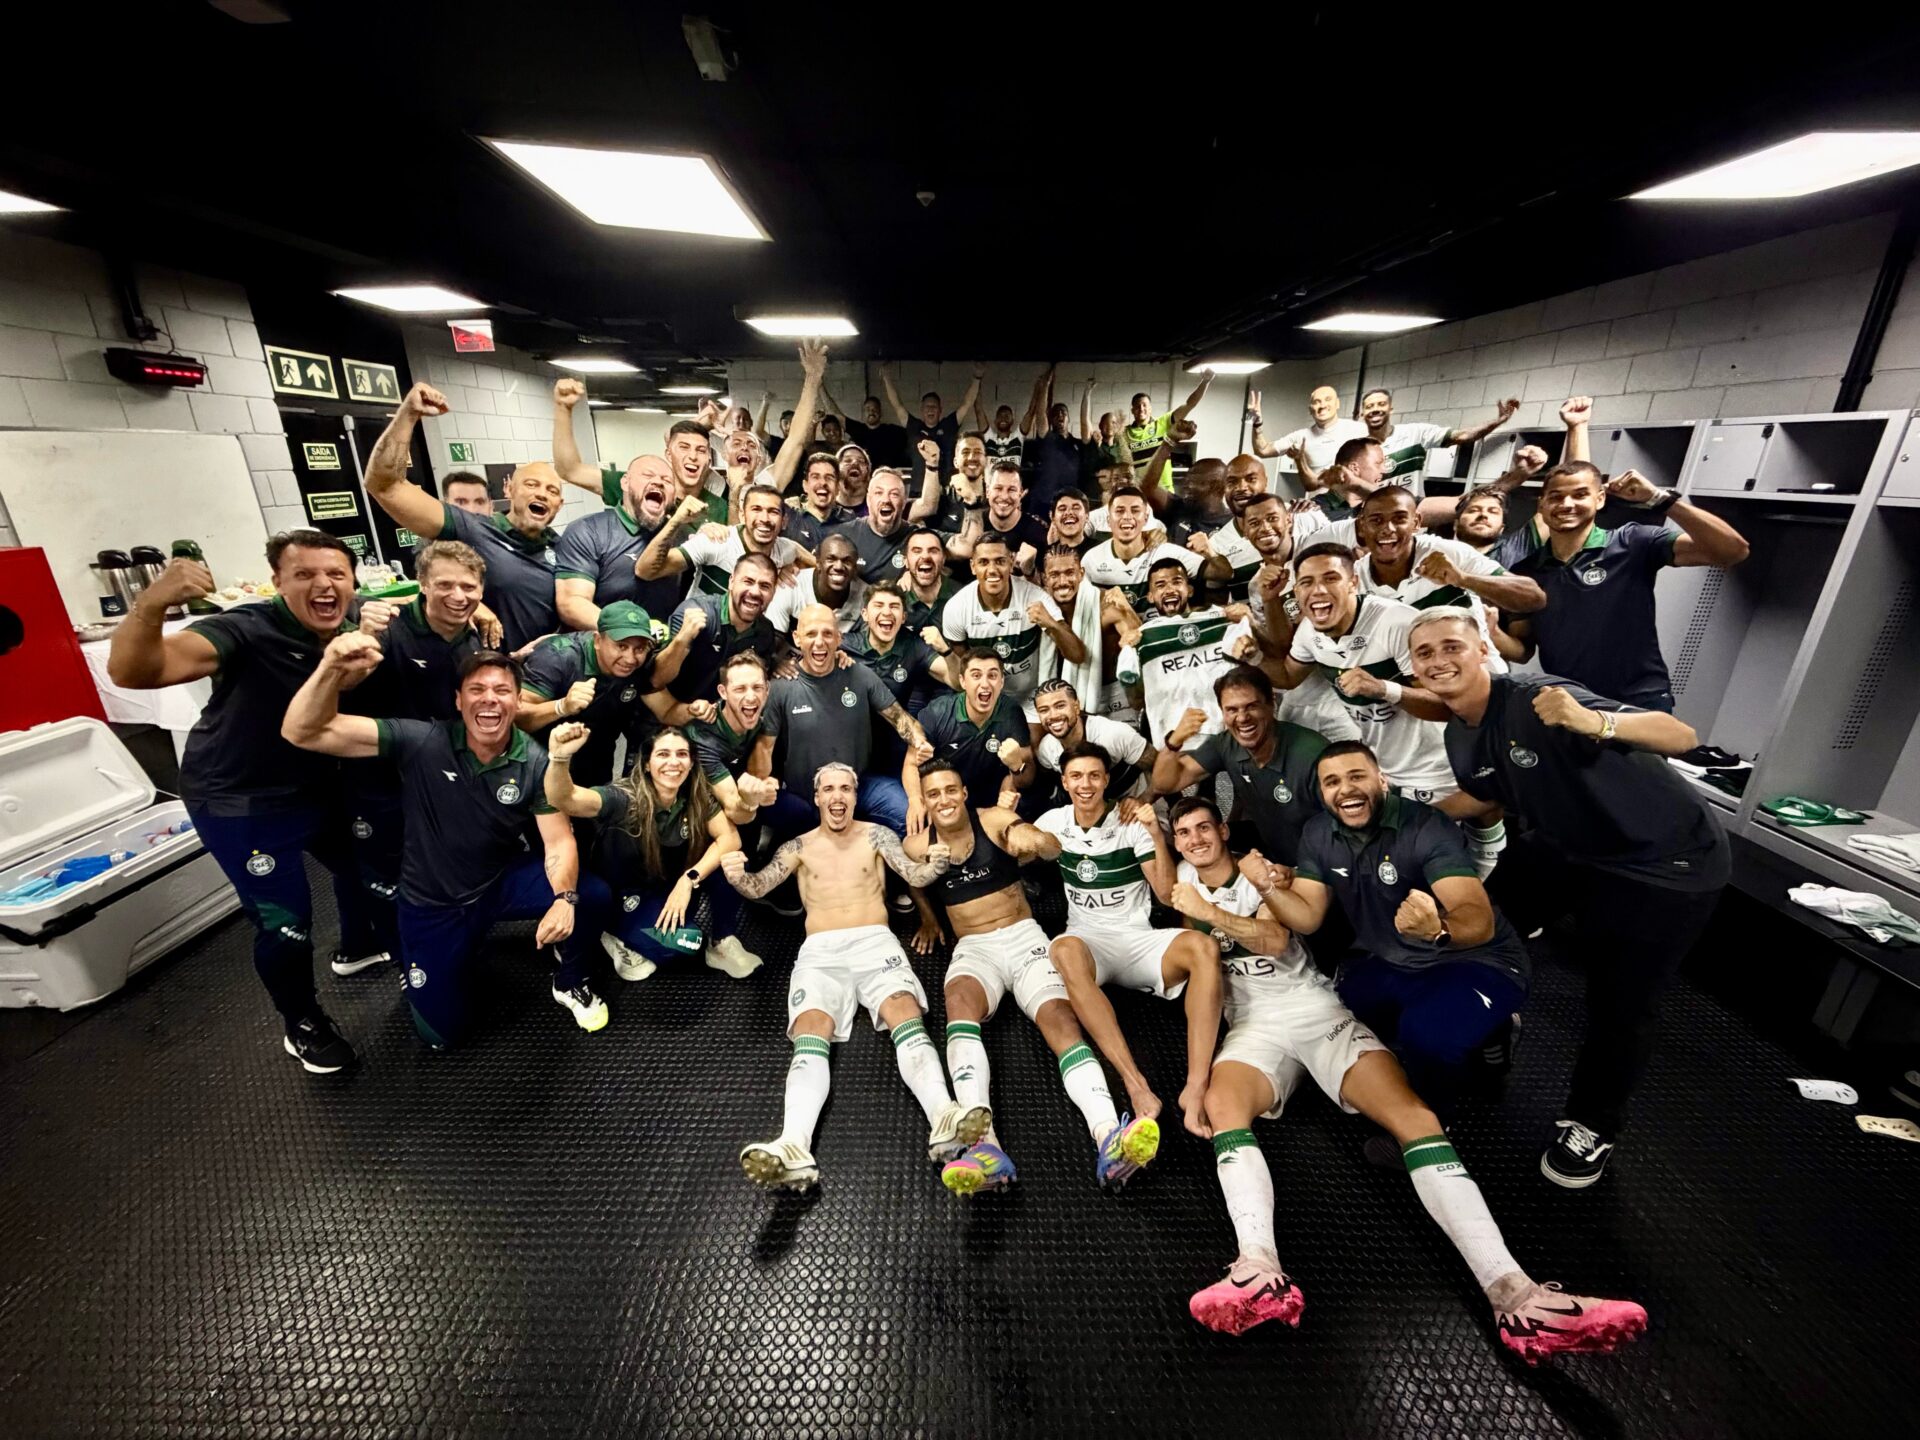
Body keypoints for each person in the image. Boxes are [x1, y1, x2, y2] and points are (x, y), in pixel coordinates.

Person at [1170, 797, 1647, 1359]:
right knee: (1224, 1112)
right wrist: (1194, 1079)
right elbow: (1203, 983)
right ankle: (1257, 1270)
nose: (1196, 838)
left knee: (1413, 1116)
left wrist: (1213, 910)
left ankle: (1517, 1296)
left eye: (1205, 826)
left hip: (1313, 1008)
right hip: (1251, 1026)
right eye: (1184, 832)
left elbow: (1275, 939)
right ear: (1176, 843)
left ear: (1224, 829)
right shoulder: (1182, 881)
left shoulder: (1265, 870)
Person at [1406, 610, 1731, 1187]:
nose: (1439, 661)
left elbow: (1681, 736)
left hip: (1664, 862)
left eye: (1452, 646)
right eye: (1425, 653)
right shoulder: (1461, 731)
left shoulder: (1538, 697)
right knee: (1476, 932)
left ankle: (1593, 1123)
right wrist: (1399, 817)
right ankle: (1493, 1021)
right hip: (1569, 846)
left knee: (1619, 1004)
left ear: (1484, 649)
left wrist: (1593, 721)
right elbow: (1486, 799)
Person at [106, 533, 399, 1073]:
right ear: (278, 582)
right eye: (304, 575)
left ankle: (357, 948)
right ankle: (302, 1021)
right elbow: (134, 673)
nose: (323, 585)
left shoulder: (354, 620)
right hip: (240, 799)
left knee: (373, 869)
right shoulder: (242, 628)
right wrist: (150, 604)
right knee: (286, 920)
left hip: (318, 787)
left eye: (335, 574)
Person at [281, 639, 614, 1046]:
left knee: (591, 894)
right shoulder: (423, 741)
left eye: (502, 691)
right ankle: (449, 961)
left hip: (496, 884)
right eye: (477, 690)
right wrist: (331, 665)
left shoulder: (536, 761)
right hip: (432, 904)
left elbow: (559, 843)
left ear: (517, 702)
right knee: (442, 1035)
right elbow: (302, 730)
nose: (489, 700)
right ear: (458, 701)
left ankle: (570, 980)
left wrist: (564, 899)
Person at [721, 763, 986, 1191]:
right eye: (829, 789)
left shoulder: (878, 835)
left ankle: (944, 1115)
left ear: (855, 795)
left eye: (845, 788)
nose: (838, 796)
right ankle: (793, 1144)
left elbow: (913, 875)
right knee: (811, 1031)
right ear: (818, 797)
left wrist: (936, 865)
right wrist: (736, 876)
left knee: (905, 1014)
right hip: (821, 951)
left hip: (874, 941)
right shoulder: (798, 846)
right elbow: (758, 887)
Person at [908, 760, 1162, 1194]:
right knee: (959, 1005)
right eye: (934, 794)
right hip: (974, 947)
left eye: (951, 790)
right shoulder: (917, 845)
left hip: (1024, 936)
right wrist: (929, 919)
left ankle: (1108, 1136)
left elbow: (1042, 844)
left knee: (1062, 1022)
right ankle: (984, 1149)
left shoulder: (992, 820)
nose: (945, 799)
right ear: (925, 802)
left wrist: (1033, 839)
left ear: (964, 793)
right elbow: (911, 877)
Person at [1251, 741, 1529, 1110]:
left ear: (1382, 780)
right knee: (1347, 1007)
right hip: (1397, 959)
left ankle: (1434, 1120)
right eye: (1332, 782)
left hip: (1476, 961)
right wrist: (1266, 886)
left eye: (1356, 776)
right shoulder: (1318, 833)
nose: (1345, 789)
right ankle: (1485, 1026)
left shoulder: (1426, 827)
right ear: (1322, 793)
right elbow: (1308, 916)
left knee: (1427, 1036)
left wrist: (1438, 930)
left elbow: (1480, 923)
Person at [1031, 743, 1224, 1138]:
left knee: (1204, 948)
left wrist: (1154, 831)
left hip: (1137, 940)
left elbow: (1167, 892)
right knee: (1063, 948)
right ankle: (1136, 1084)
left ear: (1106, 780)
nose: (1086, 784)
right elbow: (1011, 845)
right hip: (1089, 943)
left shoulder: (1131, 820)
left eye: (1094, 776)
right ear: (1064, 782)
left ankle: (1196, 1083)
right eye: (1077, 776)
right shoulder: (1051, 821)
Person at [1496, 465, 1750, 712]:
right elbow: (1522, 650)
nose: (1567, 504)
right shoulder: (1525, 571)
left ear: (1600, 499)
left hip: (1638, 700)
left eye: (1580, 495)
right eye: (1556, 497)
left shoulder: (1632, 542)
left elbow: (1733, 551)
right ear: (1541, 505)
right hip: (1571, 702)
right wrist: (1487, 628)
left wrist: (1661, 500)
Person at [541, 721, 759, 982]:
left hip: (669, 888)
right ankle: (608, 932)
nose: (673, 762)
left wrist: (689, 879)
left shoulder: (696, 795)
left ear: (691, 764)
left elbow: (730, 838)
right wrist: (560, 758)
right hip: (624, 898)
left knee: (733, 861)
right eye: (663, 754)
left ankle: (722, 942)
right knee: (687, 944)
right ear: (646, 763)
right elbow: (566, 800)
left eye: (681, 754)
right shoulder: (624, 798)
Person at [364, 383, 563, 651]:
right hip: (481, 676)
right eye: (531, 485)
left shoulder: (566, 547)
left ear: (559, 505)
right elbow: (386, 485)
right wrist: (408, 415)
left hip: (545, 677)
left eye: (552, 491)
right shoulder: (471, 529)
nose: (541, 494)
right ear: (509, 489)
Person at [764, 605, 931, 839]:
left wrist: (920, 742)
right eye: (811, 634)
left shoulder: (859, 675)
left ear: (839, 638)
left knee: (910, 817)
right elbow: (763, 749)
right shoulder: (781, 688)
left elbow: (903, 720)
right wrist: (760, 785)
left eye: (827, 634)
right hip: (806, 797)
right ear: (797, 638)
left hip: (860, 786)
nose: (820, 642)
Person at [1353, 485, 1546, 674]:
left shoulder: (1449, 553)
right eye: (1376, 520)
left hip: (1483, 685)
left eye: (1399, 519)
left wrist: (1463, 579)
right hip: (1420, 689)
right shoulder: (1353, 579)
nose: (1388, 529)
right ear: (1361, 527)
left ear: (1416, 523)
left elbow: (1534, 598)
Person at [1151, 665, 1331, 865]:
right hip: (1280, 861)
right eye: (1232, 710)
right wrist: (1174, 742)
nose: (1243, 718)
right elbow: (1165, 783)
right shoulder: (1226, 743)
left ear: (1271, 704)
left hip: (1325, 866)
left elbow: (1346, 825)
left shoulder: (1312, 754)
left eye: (1251, 706)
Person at [1110, 558, 1253, 753]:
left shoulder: (1223, 619)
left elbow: (1257, 661)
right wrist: (1128, 657)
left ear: (1190, 589)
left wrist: (1250, 620)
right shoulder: (1141, 638)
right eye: (1160, 585)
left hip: (1230, 736)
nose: (1169, 590)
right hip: (1178, 744)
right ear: (1151, 597)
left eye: (1176, 582)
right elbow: (1136, 702)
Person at [549, 432, 687, 631]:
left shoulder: (677, 535)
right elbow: (572, 605)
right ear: (624, 482)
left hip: (660, 653)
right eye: (647, 475)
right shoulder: (589, 531)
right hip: (604, 653)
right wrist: (638, 630)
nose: (658, 482)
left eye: (667, 480)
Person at [514, 600, 660, 786]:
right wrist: (561, 706)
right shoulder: (556, 657)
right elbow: (517, 717)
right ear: (598, 640)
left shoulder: (641, 663)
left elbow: (661, 691)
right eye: (621, 646)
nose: (630, 658)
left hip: (596, 763)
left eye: (639, 648)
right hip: (539, 763)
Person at [940, 534, 1079, 713]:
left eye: (1000, 561)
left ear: (1011, 562)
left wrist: (1051, 623)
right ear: (973, 566)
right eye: (983, 562)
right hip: (986, 696)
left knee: (1033, 740)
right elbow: (963, 670)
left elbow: (1076, 654)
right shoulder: (957, 607)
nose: (992, 570)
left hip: (1031, 696)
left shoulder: (1035, 597)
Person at [648, 554, 781, 713]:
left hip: (714, 723)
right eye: (748, 581)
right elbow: (656, 680)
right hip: (666, 713)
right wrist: (681, 640)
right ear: (731, 582)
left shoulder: (764, 632)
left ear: (774, 591)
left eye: (765, 586)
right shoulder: (694, 612)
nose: (755, 592)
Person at [909, 650, 1034, 818]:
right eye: (976, 675)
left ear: (1002, 682)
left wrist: (1016, 770)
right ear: (962, 681)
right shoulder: (937, 713)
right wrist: (916, 800)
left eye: (992, 676)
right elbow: (910, 763)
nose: (985, 684)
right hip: (948, 797)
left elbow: (1027, 775)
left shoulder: (1011, 712)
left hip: (992, 800)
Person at [637, 483, 810, 600]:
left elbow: (816, 564)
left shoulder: (785, 549)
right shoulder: (716, 541)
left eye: (773, 511)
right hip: (696, 637)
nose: (764, 518)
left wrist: (793, 569)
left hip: (743, 644)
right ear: (742, 515)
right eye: (756, 509)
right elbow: (646, 571)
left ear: (784, 521)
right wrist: (676, 521)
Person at [1358, 387, 1520, 495]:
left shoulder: (1415, 432)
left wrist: (1498, 421)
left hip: (1411, 519)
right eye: (1369, 406)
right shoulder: (1354, 448)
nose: (1375, 409)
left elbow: (1463, 436)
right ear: (1362, 413)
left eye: (1381, 404)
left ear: (1390, 409)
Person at [842, 580, 954, 718]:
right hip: (853, 730)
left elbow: (957, 682)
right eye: (879, 605)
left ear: (903, 617)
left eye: (894, 606)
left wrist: (946, 651)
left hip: (897, 729)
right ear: (865, 614)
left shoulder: (913, 646)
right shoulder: (845, 644)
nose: (887, 612)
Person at [1082, 484, 1202, 610]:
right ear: (1108, 520)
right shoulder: (1091, 559)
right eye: (1120, 511)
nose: (1127, 516)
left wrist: (1210, 553)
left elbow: (1218, 572)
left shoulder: (1165, 550)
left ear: (1145, 518)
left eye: (1134, 510)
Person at [1033, 677, 1155, 800]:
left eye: (1060, 706)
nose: (1053, 715)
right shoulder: (1046, 749)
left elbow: (1158, 765)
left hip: (1135, 804)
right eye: (1044, 710)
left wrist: (1143, 800)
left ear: (1076, 707)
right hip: (1092, 811)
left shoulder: (1113, 734)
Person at [882, 364, 983, 493]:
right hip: (919, 491)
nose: (930, 409)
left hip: (944, 491)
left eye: (934, 406)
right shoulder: (914, 427)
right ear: (921, 410)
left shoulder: (948, 426)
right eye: (927, 407)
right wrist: (886, 378)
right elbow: (897, 405)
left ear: (940, 410)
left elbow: (966, 404)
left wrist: (977, 378)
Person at [1248, 384, 1366, 487]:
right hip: (1316, 505)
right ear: (1310, 409)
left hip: (1351, 505)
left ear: (1337, 403)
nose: (1322, 405)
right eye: (1316, 402)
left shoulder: (1359, 430)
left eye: (1328, 399)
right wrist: (1257, 423)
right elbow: (1262, 450)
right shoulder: (1301, 437)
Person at [1119, 371, 1213, 487]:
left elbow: (1189, 404)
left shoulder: (1163, 423)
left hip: (1164, 489)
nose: (1141, 409)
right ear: (1132, 410)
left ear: (1150, 408)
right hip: (1140, 490)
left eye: (1144, 405)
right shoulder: (1125, 432)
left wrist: (1205, 382)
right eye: (1137, 406)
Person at [767, 531, 867, 634]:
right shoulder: (790, 587)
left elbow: (871, 644)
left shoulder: (867, 596)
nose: (839, 567)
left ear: (855, 568)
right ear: (818, 563)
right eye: (831, 559)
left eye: (847, 561)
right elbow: (773, 639)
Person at [836, 468, 918, 582]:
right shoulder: (844, 535)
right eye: (879, 493)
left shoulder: (916, 537)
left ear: (904, 502)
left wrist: (914, 573)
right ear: (868, 500)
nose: (886, 499)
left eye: (894, 494)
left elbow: (948, 547)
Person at [785, 452, 857, 554]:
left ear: (837, 488)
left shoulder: (851, 521)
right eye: (815, 477)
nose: (823, 483)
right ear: (805, 485)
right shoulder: (790, 517)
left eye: (829, 478)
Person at [898, 526, 960, 633]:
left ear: (944, 558)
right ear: (906, 561)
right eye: (917, 551)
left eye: (933, 551)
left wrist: (946, 650)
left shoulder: (962, 597)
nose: (925, 556)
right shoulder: (893, 600)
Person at [841, 379, 910, 469]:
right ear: (864, 413)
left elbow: (912, 431)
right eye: (868, 409)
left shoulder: (892, 431)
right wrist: (820, 387)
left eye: (875, 409)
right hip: (866, 479)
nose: (871, 412)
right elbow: (837, 415)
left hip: (887, 477)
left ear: (880, 412)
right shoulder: (858, 430)